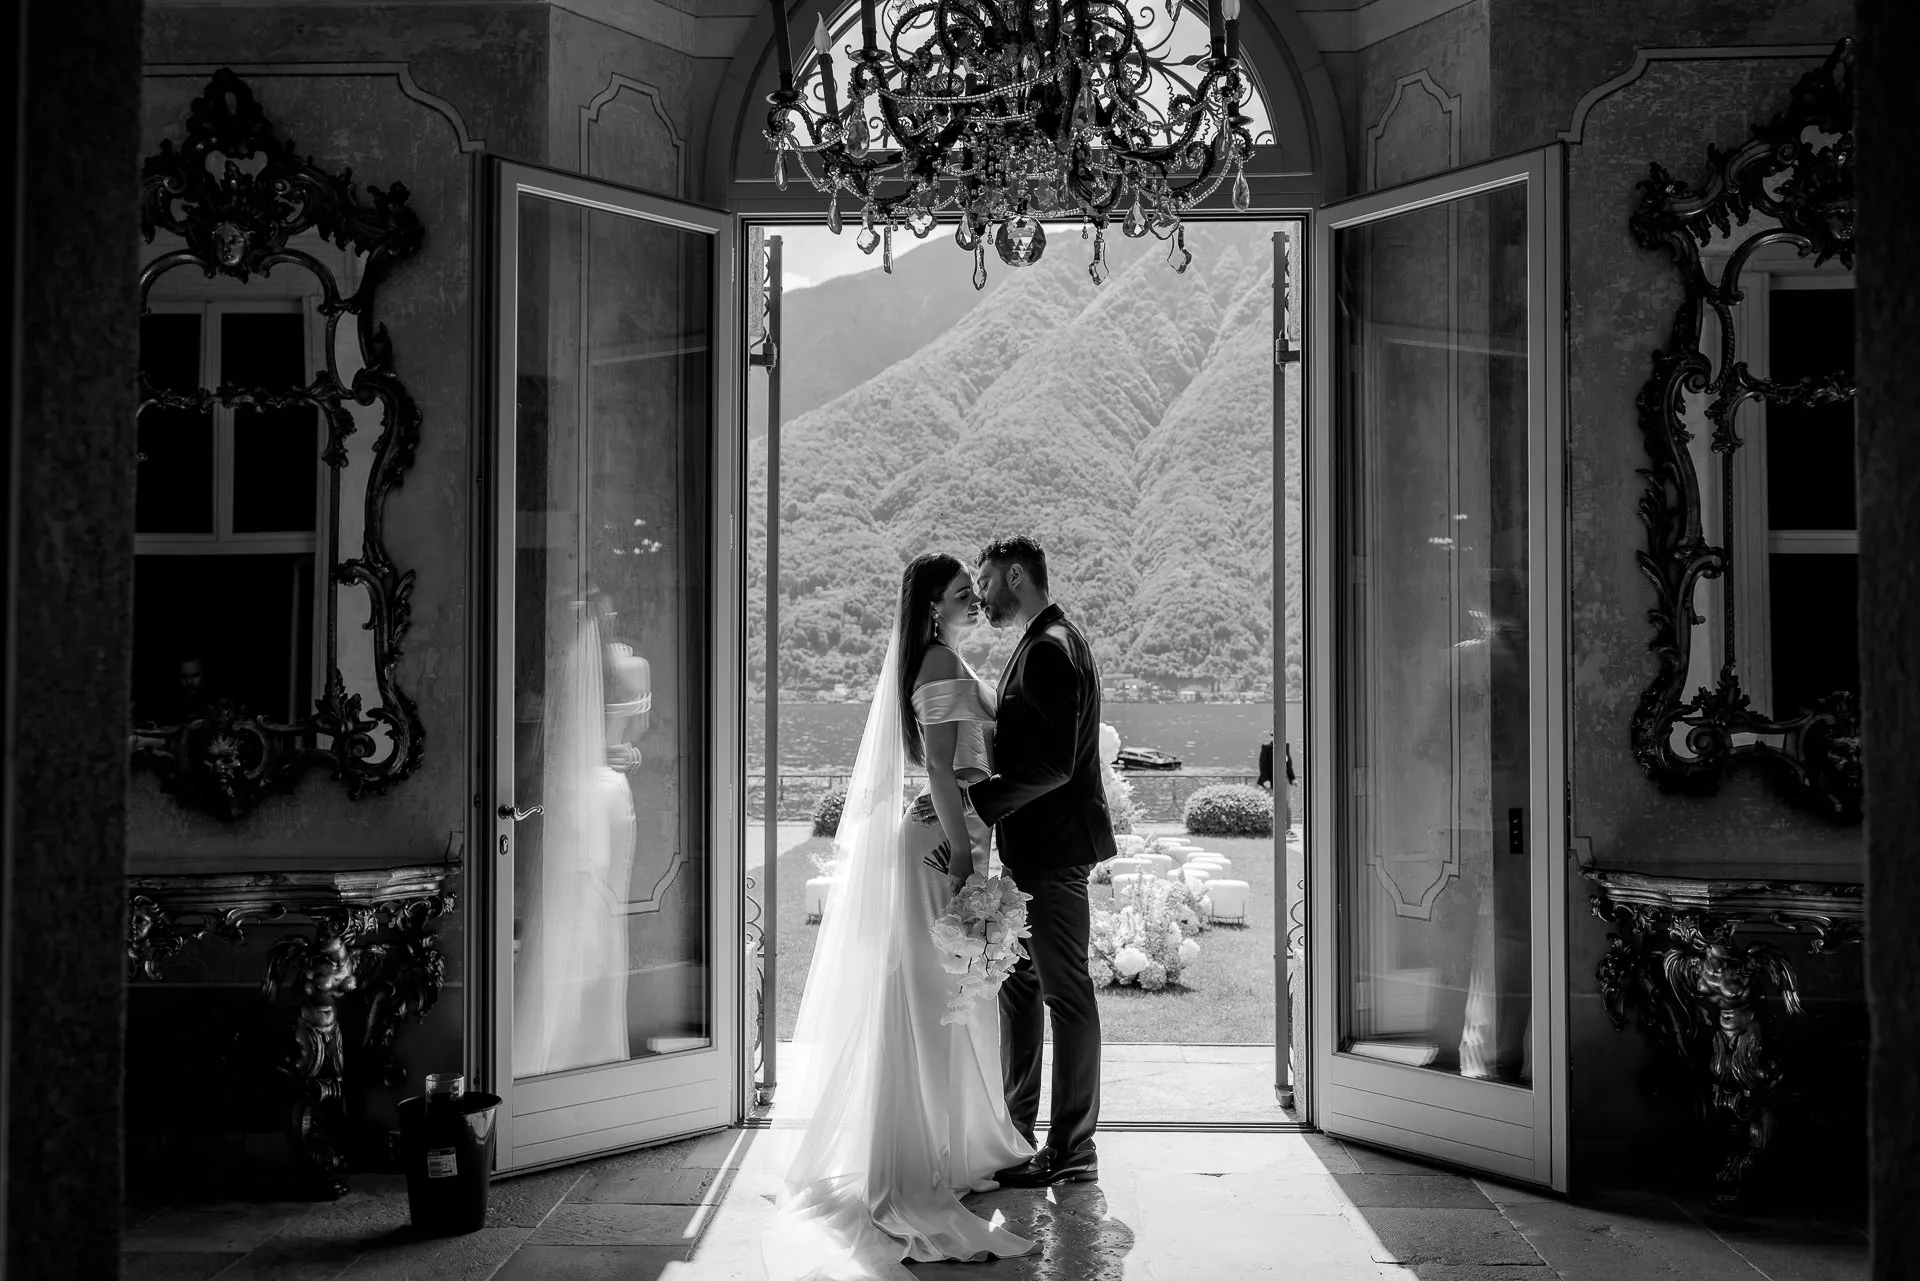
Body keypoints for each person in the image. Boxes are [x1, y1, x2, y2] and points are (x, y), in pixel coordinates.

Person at [762, 552, 1035, 1280]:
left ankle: (948, 1146)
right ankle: (915, 1163)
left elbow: (958, 759)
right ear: (930, 609)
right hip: (943, 841)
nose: (973, 601)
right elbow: (942, 770)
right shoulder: (940, 661)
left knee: (946, 993)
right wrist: (961, 852)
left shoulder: (941, 659)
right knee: (933, 996)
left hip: (953, 828)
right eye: (959, 594)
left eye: (974, 592)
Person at [966, 534, 1115, 1187]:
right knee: (1020, 987)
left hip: (1054, 855)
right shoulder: (1041, 641)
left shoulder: (1053, 649)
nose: (981, 595)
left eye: (988, 582)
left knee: (1066, 994)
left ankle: (1074, 1148)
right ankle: (1017, 1131)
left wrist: (983, 800)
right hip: (1034, 856)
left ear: (1017, 574)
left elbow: (1053, 764)